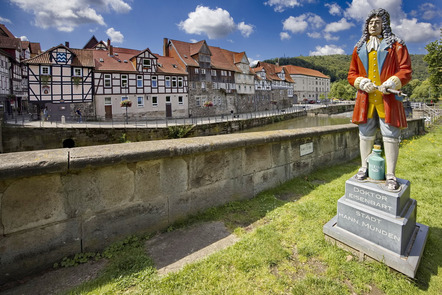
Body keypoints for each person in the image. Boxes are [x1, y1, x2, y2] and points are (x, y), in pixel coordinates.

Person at [348, 8, 412, 190]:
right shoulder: (359, 48)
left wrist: (392, 82)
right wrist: (361, 82)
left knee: (391, 135)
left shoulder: (397, 46)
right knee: (365, 135)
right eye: (370, 23)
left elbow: (405, 71)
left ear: (385, 24)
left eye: (377, 22)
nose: (373, 25)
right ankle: (364, 167)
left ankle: (390, 174)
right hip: (365, 101)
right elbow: (351, 74)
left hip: (388, 100)